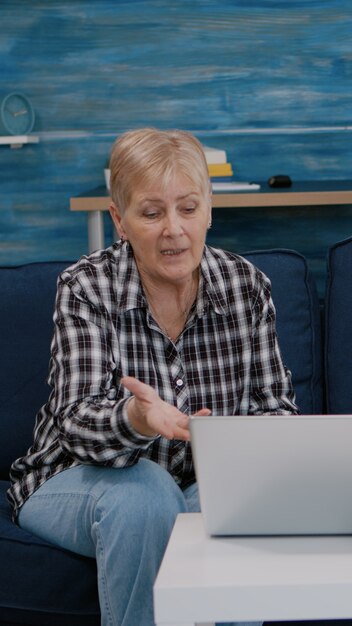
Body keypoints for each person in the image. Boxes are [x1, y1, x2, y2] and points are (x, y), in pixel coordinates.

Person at [8, 127, 298, 626]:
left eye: (188, 208)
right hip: (72, 477)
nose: (174, 229)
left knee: (233, 500)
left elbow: (277, 412)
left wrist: (238, 443)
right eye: (151, 213)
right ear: (120, 220)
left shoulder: (248, 287)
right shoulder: (86, 288)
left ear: (209, 209)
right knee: (144, 494)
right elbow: (76, 424)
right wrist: (136, 419)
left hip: (195, 484)